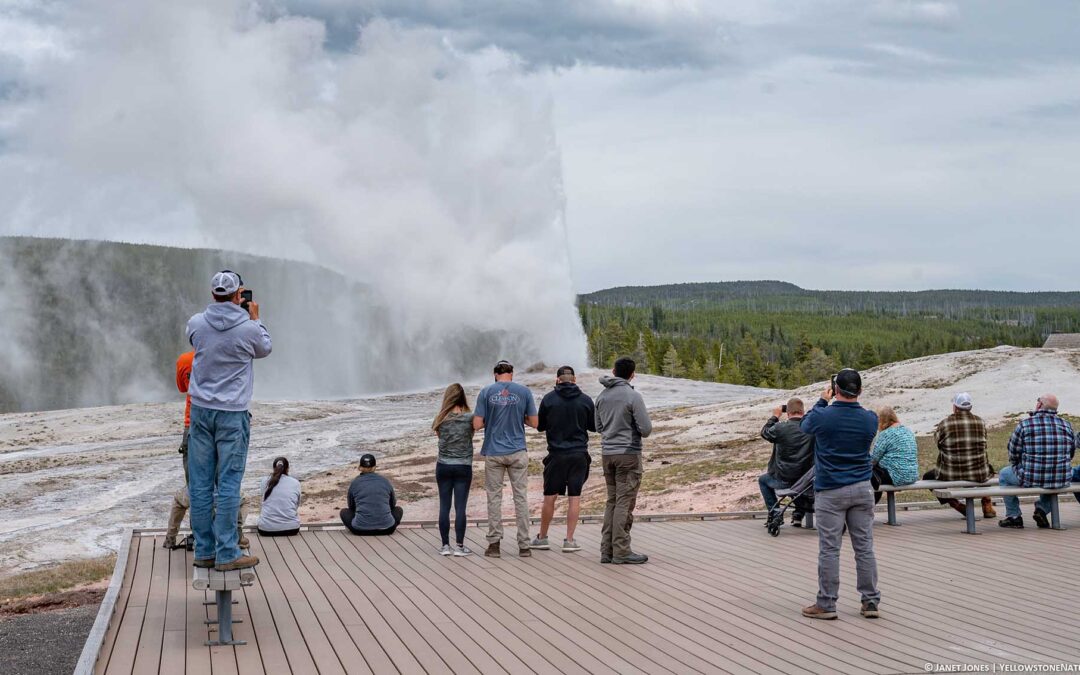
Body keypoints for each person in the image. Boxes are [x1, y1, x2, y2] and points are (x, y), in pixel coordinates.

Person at [186, 270, 272, 571]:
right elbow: (265, 349)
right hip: (232, 413)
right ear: (239, 296)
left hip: (199, 410)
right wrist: (254, 318)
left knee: (199, 484)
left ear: (213, 294)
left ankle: (204, 551)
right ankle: (227, 553)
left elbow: (195, 339)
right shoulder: (248, 329)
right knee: (228, 484)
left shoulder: (197, 322)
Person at [800, 368, 881, 620]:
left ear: (836, 390)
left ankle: (826, 603)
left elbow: (805, 425)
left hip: (831, 488)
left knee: (830, 548)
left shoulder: (824, 416)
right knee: (864, 547)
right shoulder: (871, 419)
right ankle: (870, 602)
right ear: (860, 390)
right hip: (861, 487)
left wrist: (822, 400)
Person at [473, 360, 538, 559]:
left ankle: (494, 545)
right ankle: (524, 546)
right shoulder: (524, 392)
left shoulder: (485, 392)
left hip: (494, 451)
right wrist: (521, 418)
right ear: (512, 373)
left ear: (495, 374)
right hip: (518, 450)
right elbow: (535, 422)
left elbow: (476, 424)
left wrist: (491, 421)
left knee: (494, 498)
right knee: (520, 498)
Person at [533, 365, 596, 553]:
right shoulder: (586, 400)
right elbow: (593, 427)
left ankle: (542, 537)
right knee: (574, 498)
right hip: (579, 455)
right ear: (574, 380)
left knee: (549, 497)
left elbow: (540, 426)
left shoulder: (549, 399)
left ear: (557, 379)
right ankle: (569, 540)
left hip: (556, 455)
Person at [596, 357, 652, 565]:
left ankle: (606, 551)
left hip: (607, 454)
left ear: (613, 371)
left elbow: (598, 426)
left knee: (612, 500)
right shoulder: (632, 396)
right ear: (632, 374)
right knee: (624, 502)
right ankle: (621, 550)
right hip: (628, 454)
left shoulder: (602, 396)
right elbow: (646, 430)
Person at [998, 394, 1076, 529]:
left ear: (1039, 405)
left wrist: (1018, 463)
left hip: (1031, 476)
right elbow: (1071, 452)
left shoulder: (1025, 424)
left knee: (1004, 474)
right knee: (1051, 478)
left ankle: (1014, 516)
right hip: (1061, 476)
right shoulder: (1066, 425)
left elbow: (1013, 451)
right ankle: (1042, 509)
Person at [927, 393, 996, 518]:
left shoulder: (945, 423)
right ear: (970, 407)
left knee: (928, 477)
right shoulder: (980, 421)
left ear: (955, 407)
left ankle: (957, 505)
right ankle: (987, 503)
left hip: (950, 473)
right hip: (978, 472)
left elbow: (938, 444)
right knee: (988, 468)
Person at [433, 384, 475, 556]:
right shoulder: (470, 418)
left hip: (443, 465)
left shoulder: (440, 419)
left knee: (444, 506)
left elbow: (440, 436)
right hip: (463, 466)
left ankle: (445, 546)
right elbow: (472, 433)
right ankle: (459, 546)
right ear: (462, 397)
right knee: (460, 507)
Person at [758, 398, 814, 527]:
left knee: (763, 480)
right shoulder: (811, 428)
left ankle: (775, 512)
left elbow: (765, 432)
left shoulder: (780, 428)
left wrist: (775, 416)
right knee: (799, 481)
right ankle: (798, 514)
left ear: (788, 412)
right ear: (802, 411)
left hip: (783, 479)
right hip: (806, 480)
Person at [164, 350, 194, 550]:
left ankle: (195, 534)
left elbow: (183, 388)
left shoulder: (185, 360)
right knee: (222, 485)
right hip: (223, 424)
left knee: (193, 485)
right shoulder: (221, 355)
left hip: (192, 424)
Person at [340, 454, 404, 535]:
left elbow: (351, 507)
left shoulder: (355, 483)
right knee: (398, 509)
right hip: (387, 529)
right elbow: (392, 504)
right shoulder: (385, 481)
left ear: (360, 468)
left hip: (360, 530)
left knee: (344, 512)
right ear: (374, 467)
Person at [869, 406, 918, 503]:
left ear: (881, 421)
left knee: (869, 475)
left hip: (896, 475)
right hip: (912, 475)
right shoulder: (907, 431)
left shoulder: (886, 434)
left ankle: (868, 508)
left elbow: (873, 459)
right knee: (875, 475)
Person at [257, 457, 301, 537]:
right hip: (292, 528)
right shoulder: (295, 483)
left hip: (266, 529)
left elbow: (262, 501)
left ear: (274, 468)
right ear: (287, 469)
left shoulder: (265, 481)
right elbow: (296, 504)